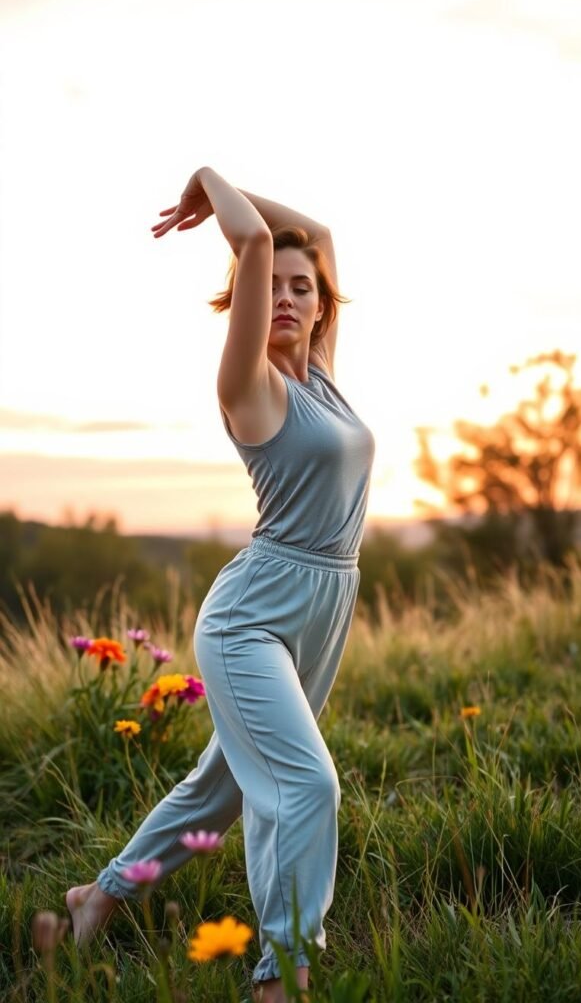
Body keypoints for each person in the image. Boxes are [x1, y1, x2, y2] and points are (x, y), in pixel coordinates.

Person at [66, 167, 376, 1003]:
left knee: (223, 787)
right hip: (252, 617)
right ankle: (283, 971)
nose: (285, 295)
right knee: (305, 784)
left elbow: (314, 231)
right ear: (243, 292)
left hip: (323, 608)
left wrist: (249, 197)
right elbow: (253, 241)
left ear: (321, 306)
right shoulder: (252, 387)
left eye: (301, 288)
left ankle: (100, 897)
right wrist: (209, 177)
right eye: (267, 285)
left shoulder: (321, 375)